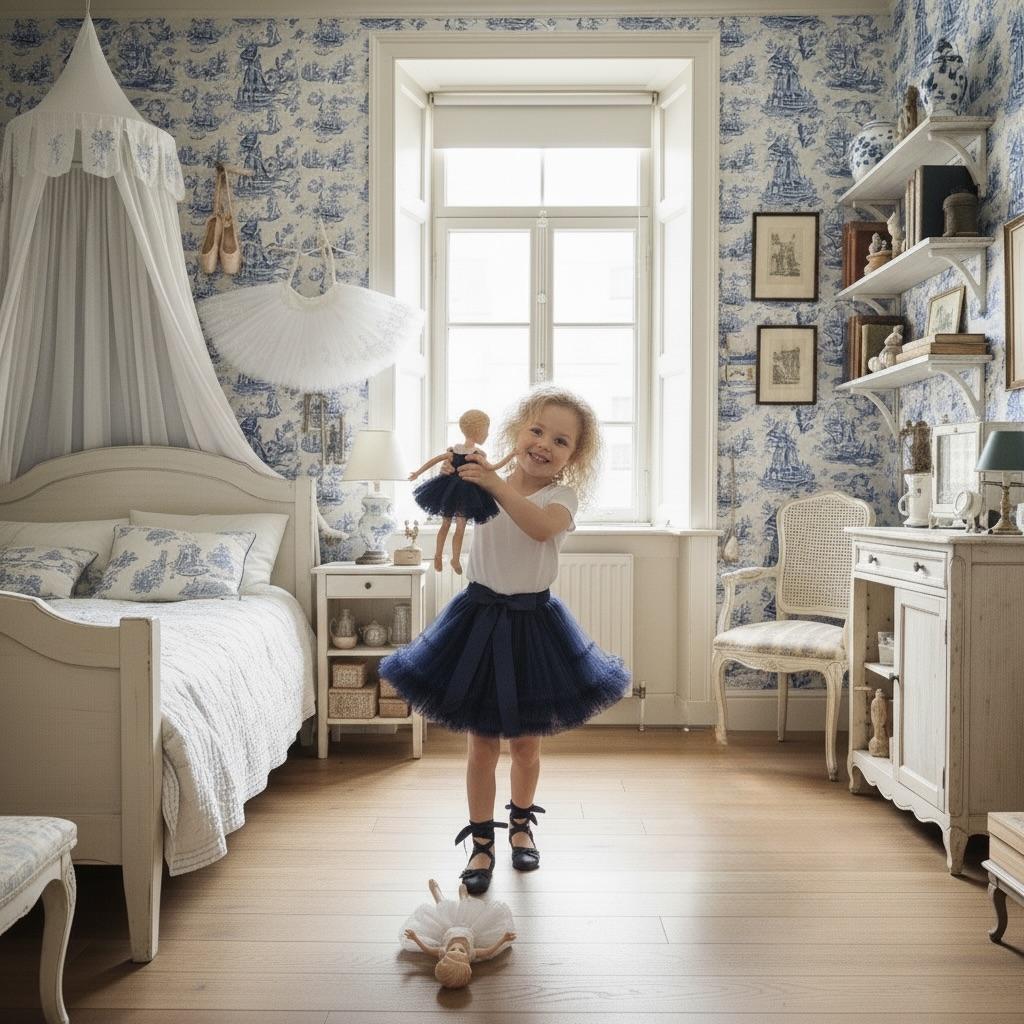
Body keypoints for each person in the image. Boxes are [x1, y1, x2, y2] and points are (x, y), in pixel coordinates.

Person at [379, 385, 631, 895]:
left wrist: (494, 484)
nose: (543, 444)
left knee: (525, 745)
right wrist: (455, 474)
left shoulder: (561, 497)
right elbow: (443, 502)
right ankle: (481, 840)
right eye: (536, 430)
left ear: (573, 456)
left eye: (560, 440)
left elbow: (538, 527)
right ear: (517, 431)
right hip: (478, 618)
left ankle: (520, 824)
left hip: (534, 626)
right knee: (480, 744)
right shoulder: (486, 480)